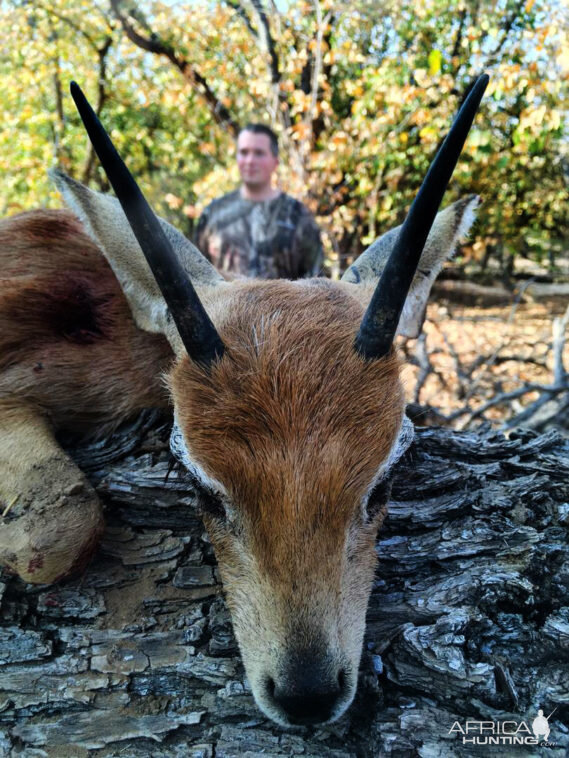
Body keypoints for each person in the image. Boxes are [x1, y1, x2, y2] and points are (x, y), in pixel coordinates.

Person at [195, 124, 322, 279]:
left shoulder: (298, 216)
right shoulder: (213, 214)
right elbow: (197, 278)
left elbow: (317, 284)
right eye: (244, 152)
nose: (250, 160)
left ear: (275, 162)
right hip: (223, 303)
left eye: (259, 153)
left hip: (282, 303)